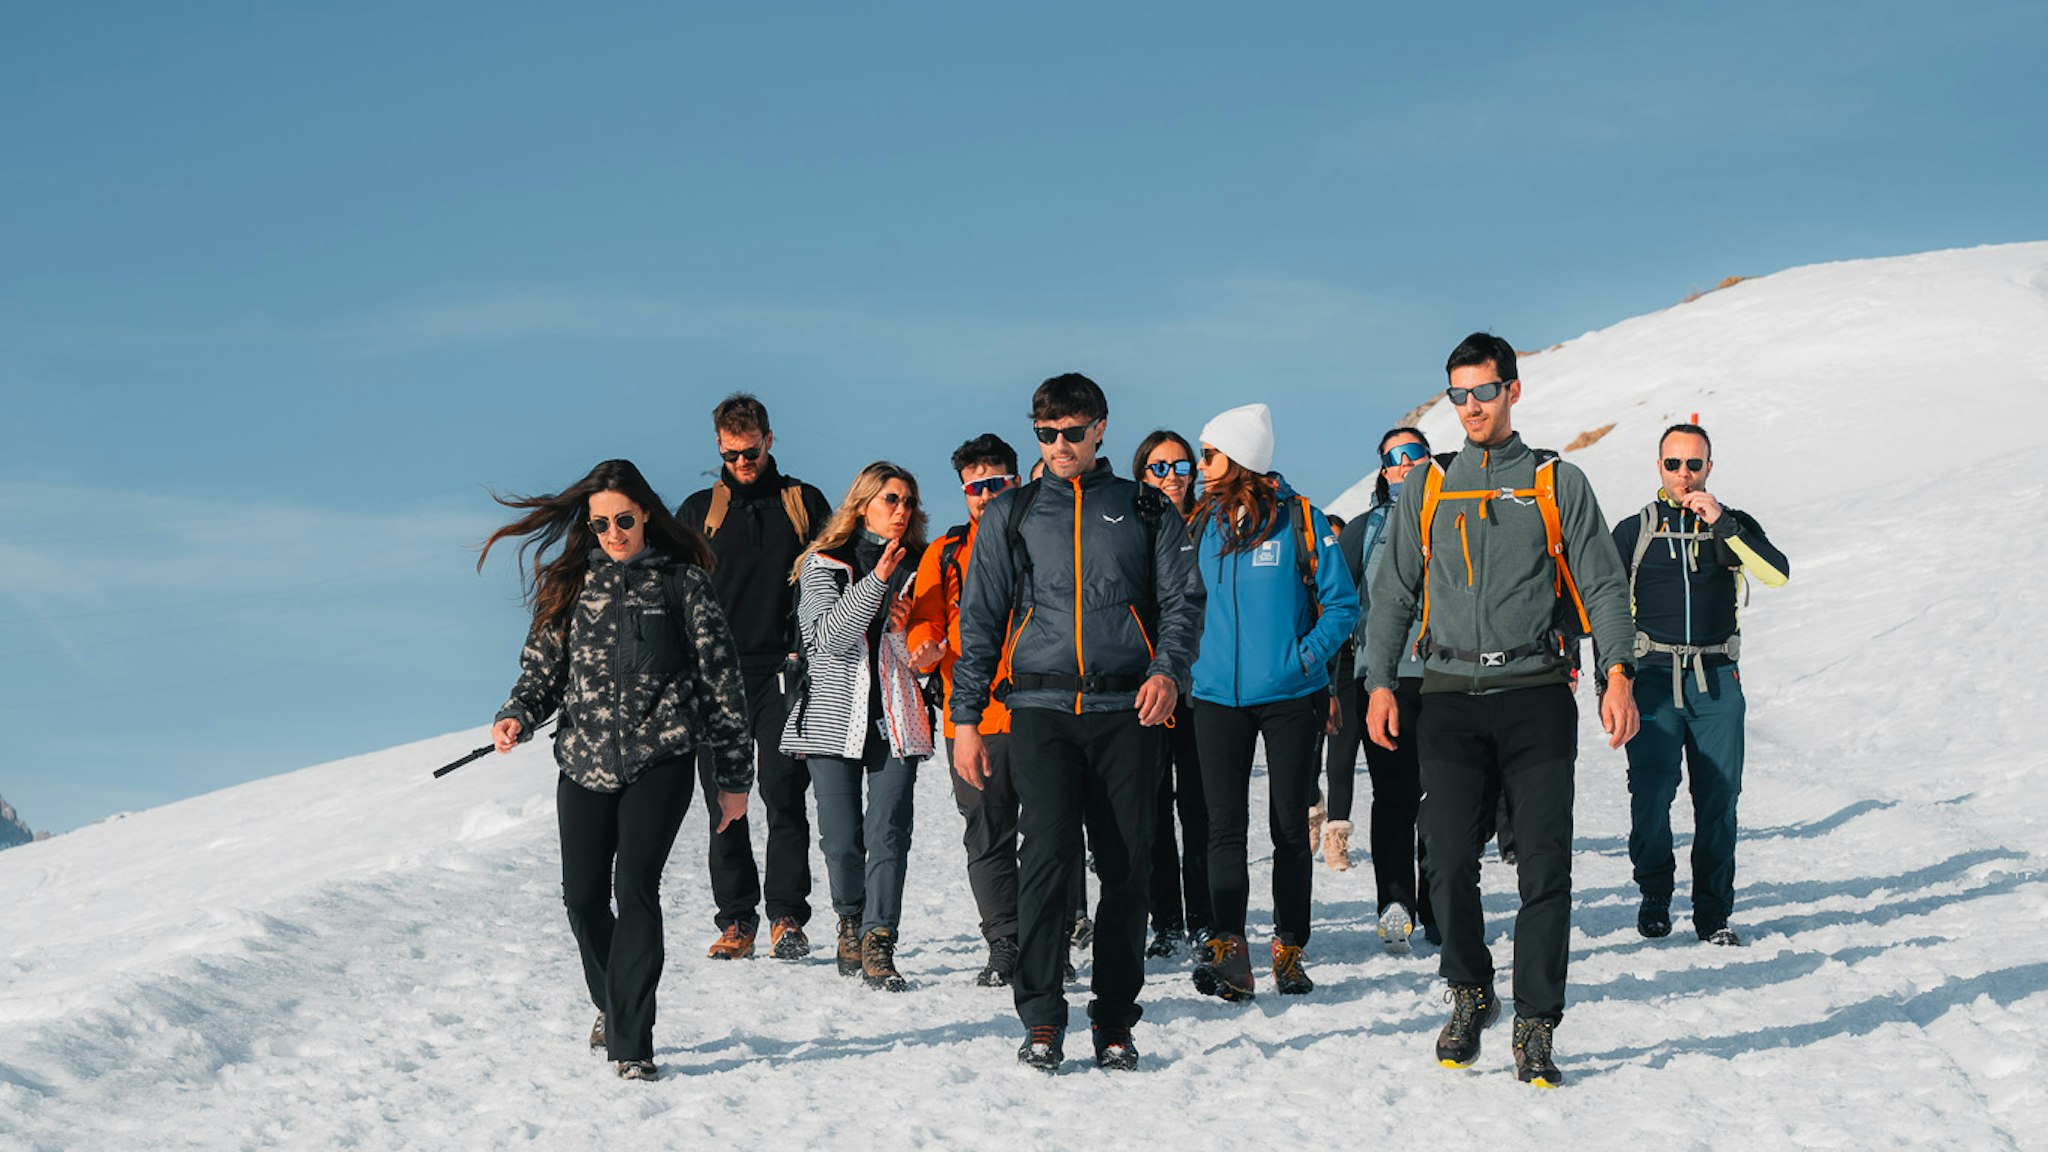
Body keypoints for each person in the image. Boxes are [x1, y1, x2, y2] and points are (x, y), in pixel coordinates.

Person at [1362, 332, 1639, 1088]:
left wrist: (1617, 671)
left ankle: (1536, 1022)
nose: (1471, 407)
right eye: (1458, 395)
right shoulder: (1426, 486)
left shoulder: (1555, 480)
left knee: (1544, 869)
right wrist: (1379, 680)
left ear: (1513, 391)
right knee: (1447, 860)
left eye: (1484, 391)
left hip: (1536, 695)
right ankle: (1470, 987)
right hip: (1448, 695)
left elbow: (1604, 585)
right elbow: (1392, 591)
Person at [950, 372, 1204, 1073]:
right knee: (1047, 860)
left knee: (1126, 867)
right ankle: (1040, 1017)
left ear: (1099, 428)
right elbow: (979, 622)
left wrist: (1167, 672)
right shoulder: (1014, 512)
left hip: (1128, 709)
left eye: (1071, 431)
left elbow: (1184, 603)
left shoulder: (1147, 508)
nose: (1059, 445)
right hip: (1039, 710)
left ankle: (1116, 1020)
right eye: (1046, 434)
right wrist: (966, 719)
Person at [483, 459, 753, 1082]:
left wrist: (734, 781)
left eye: (623, 519)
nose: (612, 532)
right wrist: (517, 715)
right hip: (580, 762)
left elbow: (722, 688)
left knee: (635, 888)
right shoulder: (571, 585)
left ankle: (633, 1042)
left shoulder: (684, 585)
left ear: (646, 515)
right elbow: (542, 673)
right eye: (600, 522)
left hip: (659, 758)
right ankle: (613, 1001)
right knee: (581, 898)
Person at [1184, 403, 1359, 1003]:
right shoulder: (1199, 525)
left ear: (1238, 457)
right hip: (1214, 699)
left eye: (1207, 454)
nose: (1198, 464)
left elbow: (1341, 605)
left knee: (1289, 826)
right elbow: (1182, 605)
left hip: (1291, 697)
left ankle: (1289, 948)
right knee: (1222, 827)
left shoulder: (1302, 520)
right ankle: (1230, 949)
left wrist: (1303, 661)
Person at [1612, 423, 1788, 947]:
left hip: (1717, 679)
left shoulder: (1731, 524)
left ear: (1709, 466)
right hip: (1652, 679)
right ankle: (1655, 896)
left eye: (1694, 464)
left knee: (1718, 798)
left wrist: (1724, 524)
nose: (1684, 474)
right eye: (1673, 464)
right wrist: (1611, 678)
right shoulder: (1633, 530)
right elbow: (1606, 608)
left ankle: (1713, 914)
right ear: (1658, 467)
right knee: (1651, 793)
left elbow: (1776, 574)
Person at [676, 394, 834, 962]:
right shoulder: (699, 511)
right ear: (719, 446)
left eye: (751, 451)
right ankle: (737, 920)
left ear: (771, 440)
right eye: (731, 453)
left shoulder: (802, 502)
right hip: (714, 676)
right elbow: (676, 592)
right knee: (725, 799)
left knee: (784, 792)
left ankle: (787, 916)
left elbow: (836, 571)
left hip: (785, 670)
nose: (742, 462)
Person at [779, 462, 932, 990]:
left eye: (908, 501)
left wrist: (922, 645)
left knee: (888, 830)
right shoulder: (823, 565)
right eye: (890, 499)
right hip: (832, 718)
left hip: (895, 714)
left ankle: (878, 939)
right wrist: (877, 582)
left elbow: (929, 640)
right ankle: (848, 919)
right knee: (842, 839)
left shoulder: (923, 566)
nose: (900, 510)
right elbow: (827, 640)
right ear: (863, 503)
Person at [906, 434, 1027, 986]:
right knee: (986, 832)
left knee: (1054, 831)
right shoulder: (947, 551)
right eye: (974, 487)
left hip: (1044, 708)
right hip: (974, 718)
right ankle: (1004, 940)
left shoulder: (1045, 537)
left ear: (1017, 482)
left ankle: (1058, 931)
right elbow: (925, 619)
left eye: (995, 483)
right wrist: (924, 649)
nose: (985, 495)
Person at [1336, 428, 1436, 951]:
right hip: (1382, 682)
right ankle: (1396, 900)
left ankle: (1442, 903)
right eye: (1391, 459)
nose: (1401, 465)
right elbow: (1337, 601)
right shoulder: (1363, 529)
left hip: (1445, 676)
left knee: (1445, 796)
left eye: (1412, 454)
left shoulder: (1452, 517)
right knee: (1395, 793)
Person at [1131, 429, 1212, 960]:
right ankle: (1166, 920)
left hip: (1203, 687)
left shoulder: (1214, 525)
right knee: (1152, 811)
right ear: (1143, 475)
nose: (1171, 478)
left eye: (1180, 467)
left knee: (1203, 810)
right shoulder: (1131, 527)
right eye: (1159, 468)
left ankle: (1206, 919)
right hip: (1147, 687)